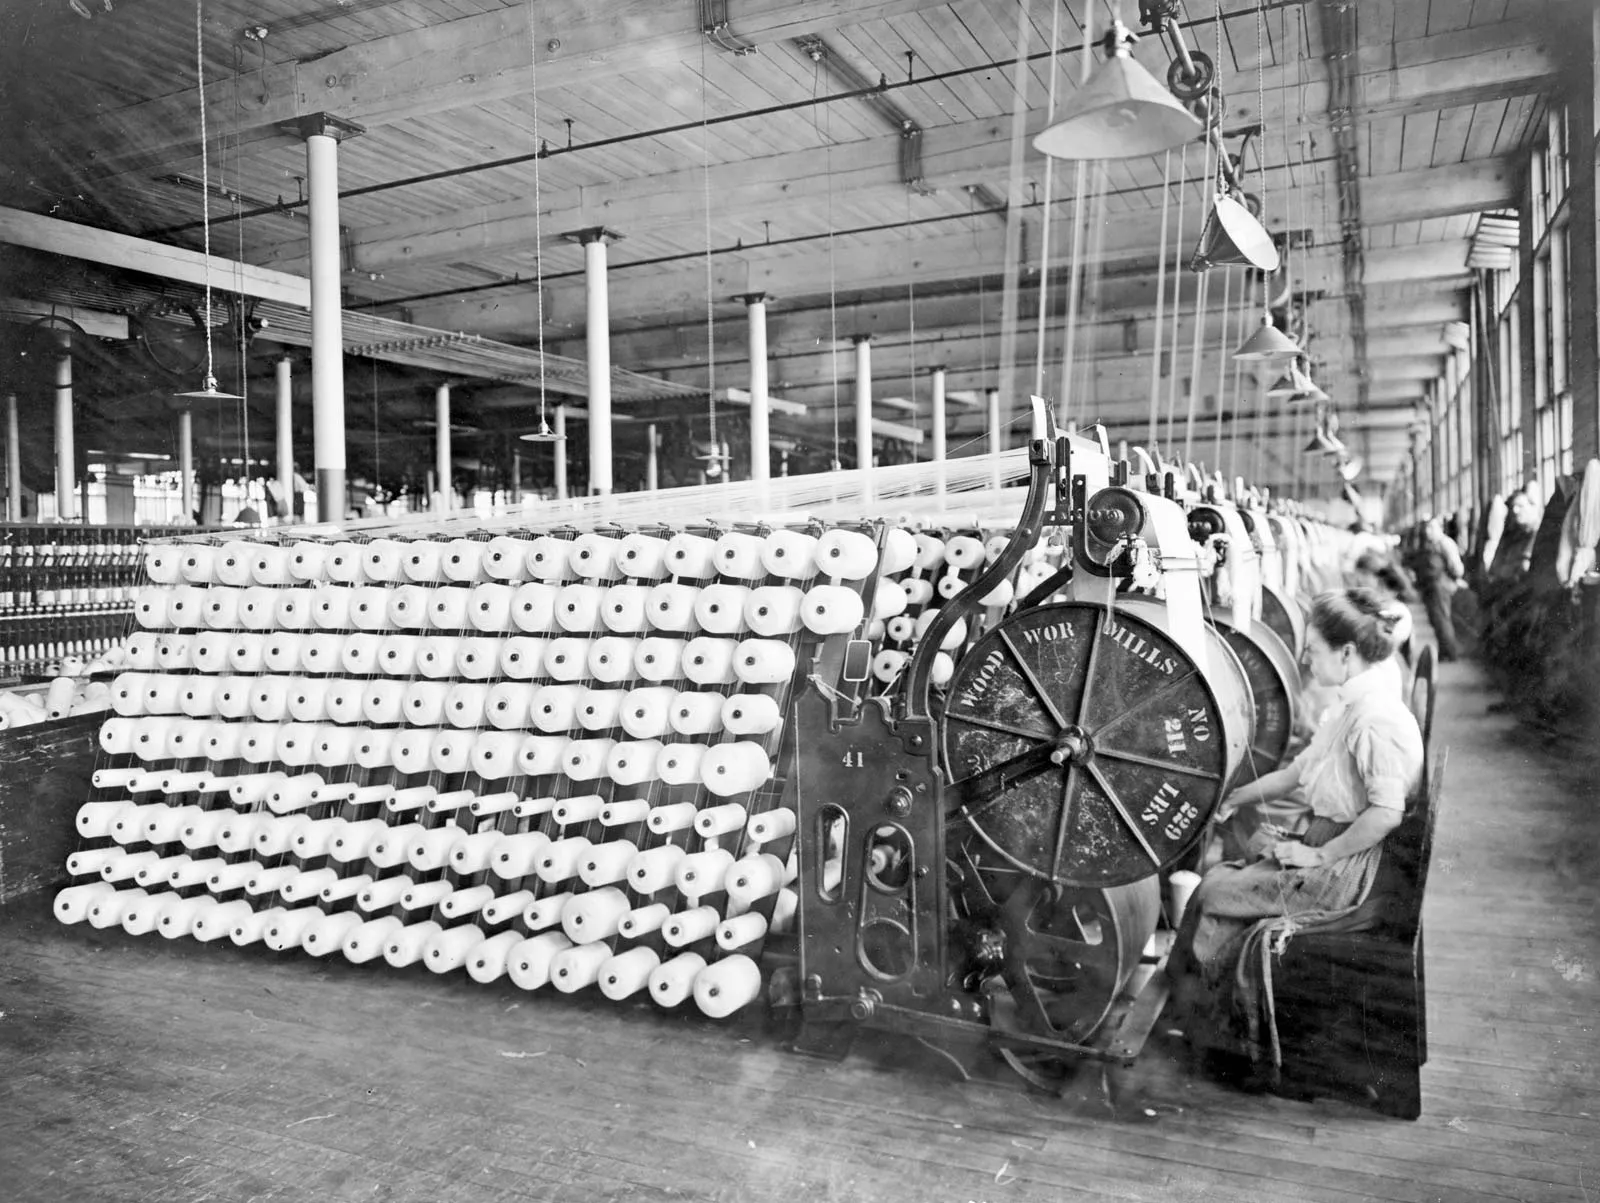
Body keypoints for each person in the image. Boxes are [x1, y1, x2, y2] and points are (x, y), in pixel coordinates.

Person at [1169, 588, 1425, 1070]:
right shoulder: (1351, 706)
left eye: (1313, 649)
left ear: (1347, 653)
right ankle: (1196, 1014)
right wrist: (1231, 797)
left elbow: (1386, 813)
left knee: (1216, 893)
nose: (1304, 658)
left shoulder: (1375, 719)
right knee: (1222, 878)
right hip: (1336, 844)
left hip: (1351, 869)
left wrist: (1319, 857)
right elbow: (1293, 774)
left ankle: (1221, 1037)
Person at [1414, 517, 1465, 660]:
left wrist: (1452, 580)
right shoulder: (1431, 545)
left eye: (1432, 528)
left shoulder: (1445, 543)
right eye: (1427, 528)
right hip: (1431, 587)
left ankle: (1450, 653)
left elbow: (1457, 568)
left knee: (1442, 620)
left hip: (1441, 587)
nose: (1428, 531)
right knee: (1436, 620)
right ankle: (1445, 651)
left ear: (1440, 528)